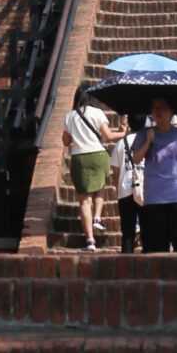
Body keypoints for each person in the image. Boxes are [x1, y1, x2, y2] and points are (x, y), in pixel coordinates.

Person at [131, 95, 177, 252]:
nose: (157, 111)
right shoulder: (144, 134)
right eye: (154, 108)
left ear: (171, 111)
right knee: (157, 248)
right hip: (154, 199)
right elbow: (136, 159)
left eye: (162, 107)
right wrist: (148, 141)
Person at [61, 95, 114, 251]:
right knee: (100, 187)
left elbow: (65, 142)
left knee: (84, 201)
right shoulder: (98, 113)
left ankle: (90, 241)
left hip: (80, 157)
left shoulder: (70, 116)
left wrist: (77, 134)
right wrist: (123, 133)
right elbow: (108, 136)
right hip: (99, 155)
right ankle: (97, 217)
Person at [110, 120, 142, 254]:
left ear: (129, 126)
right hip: (145, 191)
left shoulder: (121, 143)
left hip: (125, 191)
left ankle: (126, 263)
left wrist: (118, 189)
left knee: (127, 234)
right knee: (149, 232)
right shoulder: (147, 141)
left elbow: (115, 171)